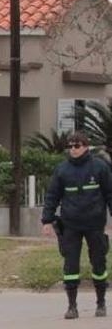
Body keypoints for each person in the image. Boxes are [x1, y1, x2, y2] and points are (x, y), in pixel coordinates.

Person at [42, 131, 112, 319]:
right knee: (70, 265)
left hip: (95, 224)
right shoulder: (62, 170)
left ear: (86, 147)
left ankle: (101, 303)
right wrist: (47, 220)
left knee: (99, 261)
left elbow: (109, 194)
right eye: (70, 146)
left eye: (77, 146)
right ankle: (72, 306)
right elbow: (52, 196)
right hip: (70, 224)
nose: (73, 149)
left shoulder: (100, 167)